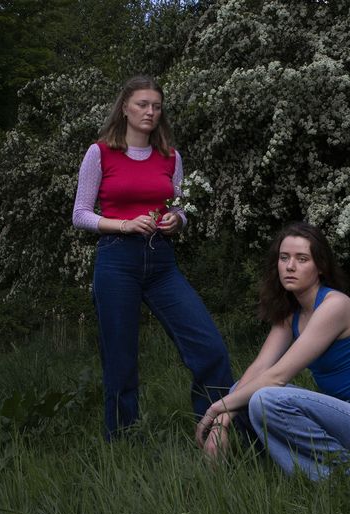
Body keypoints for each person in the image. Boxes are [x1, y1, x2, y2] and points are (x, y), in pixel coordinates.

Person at [72, 75, 233, 440]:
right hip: (117, 261)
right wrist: (124, 225)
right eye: (142, 104)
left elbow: (179, 207)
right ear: (125, 108)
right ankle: (122, 443)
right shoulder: (100, 152)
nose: (150, 111)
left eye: (156, 106)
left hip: (162, 263)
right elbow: (80, 214)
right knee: (120, 361)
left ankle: (215, 432)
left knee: (209, 347)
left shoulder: (170, 157)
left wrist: (178, 219)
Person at [195, 222, 350, 480]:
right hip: (340, 412)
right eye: (284, 258)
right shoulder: (292, 312)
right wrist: (224, 417)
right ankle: (284, 471)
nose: (290, 266)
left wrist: (215, 411)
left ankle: (347, 473)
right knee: (242, 390)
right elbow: (261, 368)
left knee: (266, 397)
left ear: (320, 267)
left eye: (302, 259)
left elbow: (277, 377)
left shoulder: (334, 306)